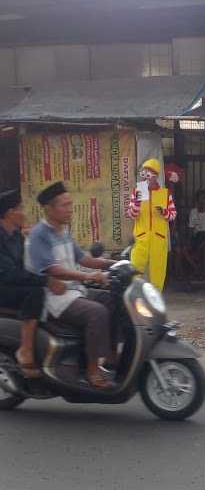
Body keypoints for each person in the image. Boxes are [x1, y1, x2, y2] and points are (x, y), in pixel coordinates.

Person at [26, 182, 117, 390]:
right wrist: (90, 276)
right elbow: (53, 270)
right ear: (49, 209)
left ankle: (110, 356)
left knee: (113, 298)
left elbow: (82, 258)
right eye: (64, 205)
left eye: (70, 204)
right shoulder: (39, 234)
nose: (70, 209)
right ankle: (92, 371)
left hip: (74, 292)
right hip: (54, 298)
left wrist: (112, 263)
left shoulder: (63, 230)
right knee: (97, 313)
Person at [0, 189, 66, 378]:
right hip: (3, 287)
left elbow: (28, 266)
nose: (24, 213)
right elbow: (9, 274)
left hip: (12, 283)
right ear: (9, 213)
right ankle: (26, 349)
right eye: (20, 209)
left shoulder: (18, 237)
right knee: (36, 292)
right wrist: (45, 280)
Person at [127, 158, 177, 291]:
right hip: (140, 237)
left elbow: (173, 215)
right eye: (145, 172)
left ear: (156, 175)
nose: (147, 176)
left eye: (150, 173)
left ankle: (155, 297)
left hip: (158, 238)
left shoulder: (165, 194)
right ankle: (133, 295)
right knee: (135, 268)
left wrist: (164, 212)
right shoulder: (137, 191)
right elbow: (132, 215)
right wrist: (137, 202)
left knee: (158, 270)